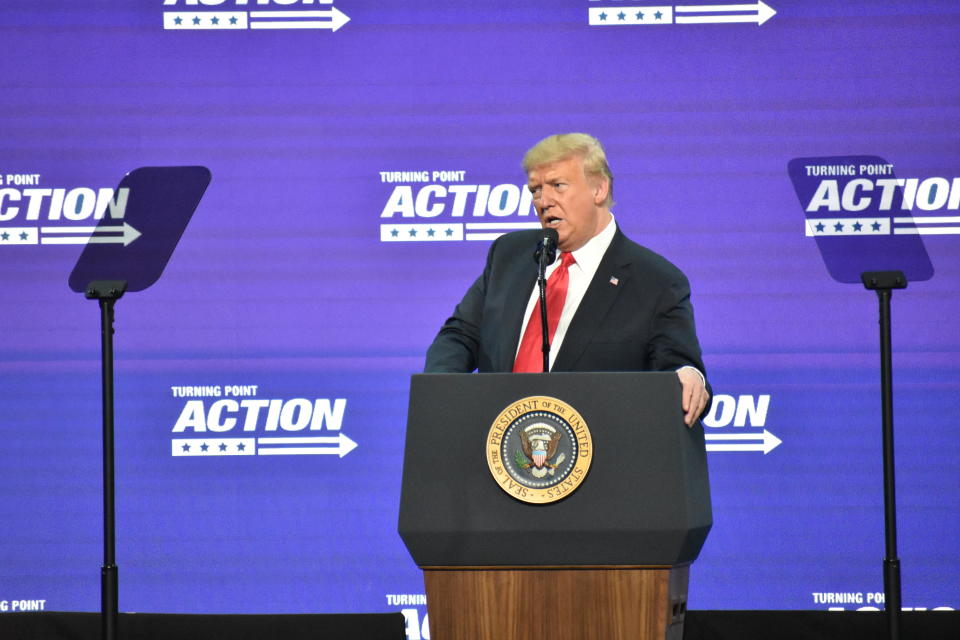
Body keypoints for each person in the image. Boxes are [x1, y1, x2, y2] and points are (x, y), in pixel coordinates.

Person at [424, 133, 710, 425]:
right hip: (497, 446)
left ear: (599, 189)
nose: (543, 201)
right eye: (535, 190)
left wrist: (688, 375)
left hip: (598, 453)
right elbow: (460, 336)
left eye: (558, 186)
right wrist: (442, 395)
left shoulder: (655, 281)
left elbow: (678, 367)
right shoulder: (509, 255)